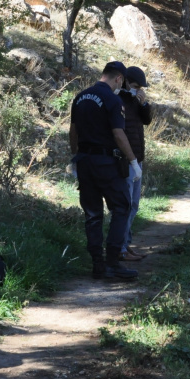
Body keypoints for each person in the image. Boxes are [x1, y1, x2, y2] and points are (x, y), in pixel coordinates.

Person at [69, 61, 143, 279]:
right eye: (122, 82)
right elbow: (119, 134)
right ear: (118, 78)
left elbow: (73, 132)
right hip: (106, 163)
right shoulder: (113, 99)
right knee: (121, 207)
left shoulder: (81, 97)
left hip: (85, 161)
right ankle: (112, 262)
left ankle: (97, 264)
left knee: (93, 214)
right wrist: (133, 162)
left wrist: (75, 156)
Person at [118, 65, 153, 262]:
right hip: (126, 160)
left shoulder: (135, 101)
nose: (138, 90)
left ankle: (125, 244)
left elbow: (147, 121)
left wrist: (144, 104)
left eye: (140, 87)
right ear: (125, 82)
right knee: (126, 205)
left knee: (134, 205)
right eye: (135, 86)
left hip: (138, 158)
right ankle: (120, 248)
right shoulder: (118, 100)